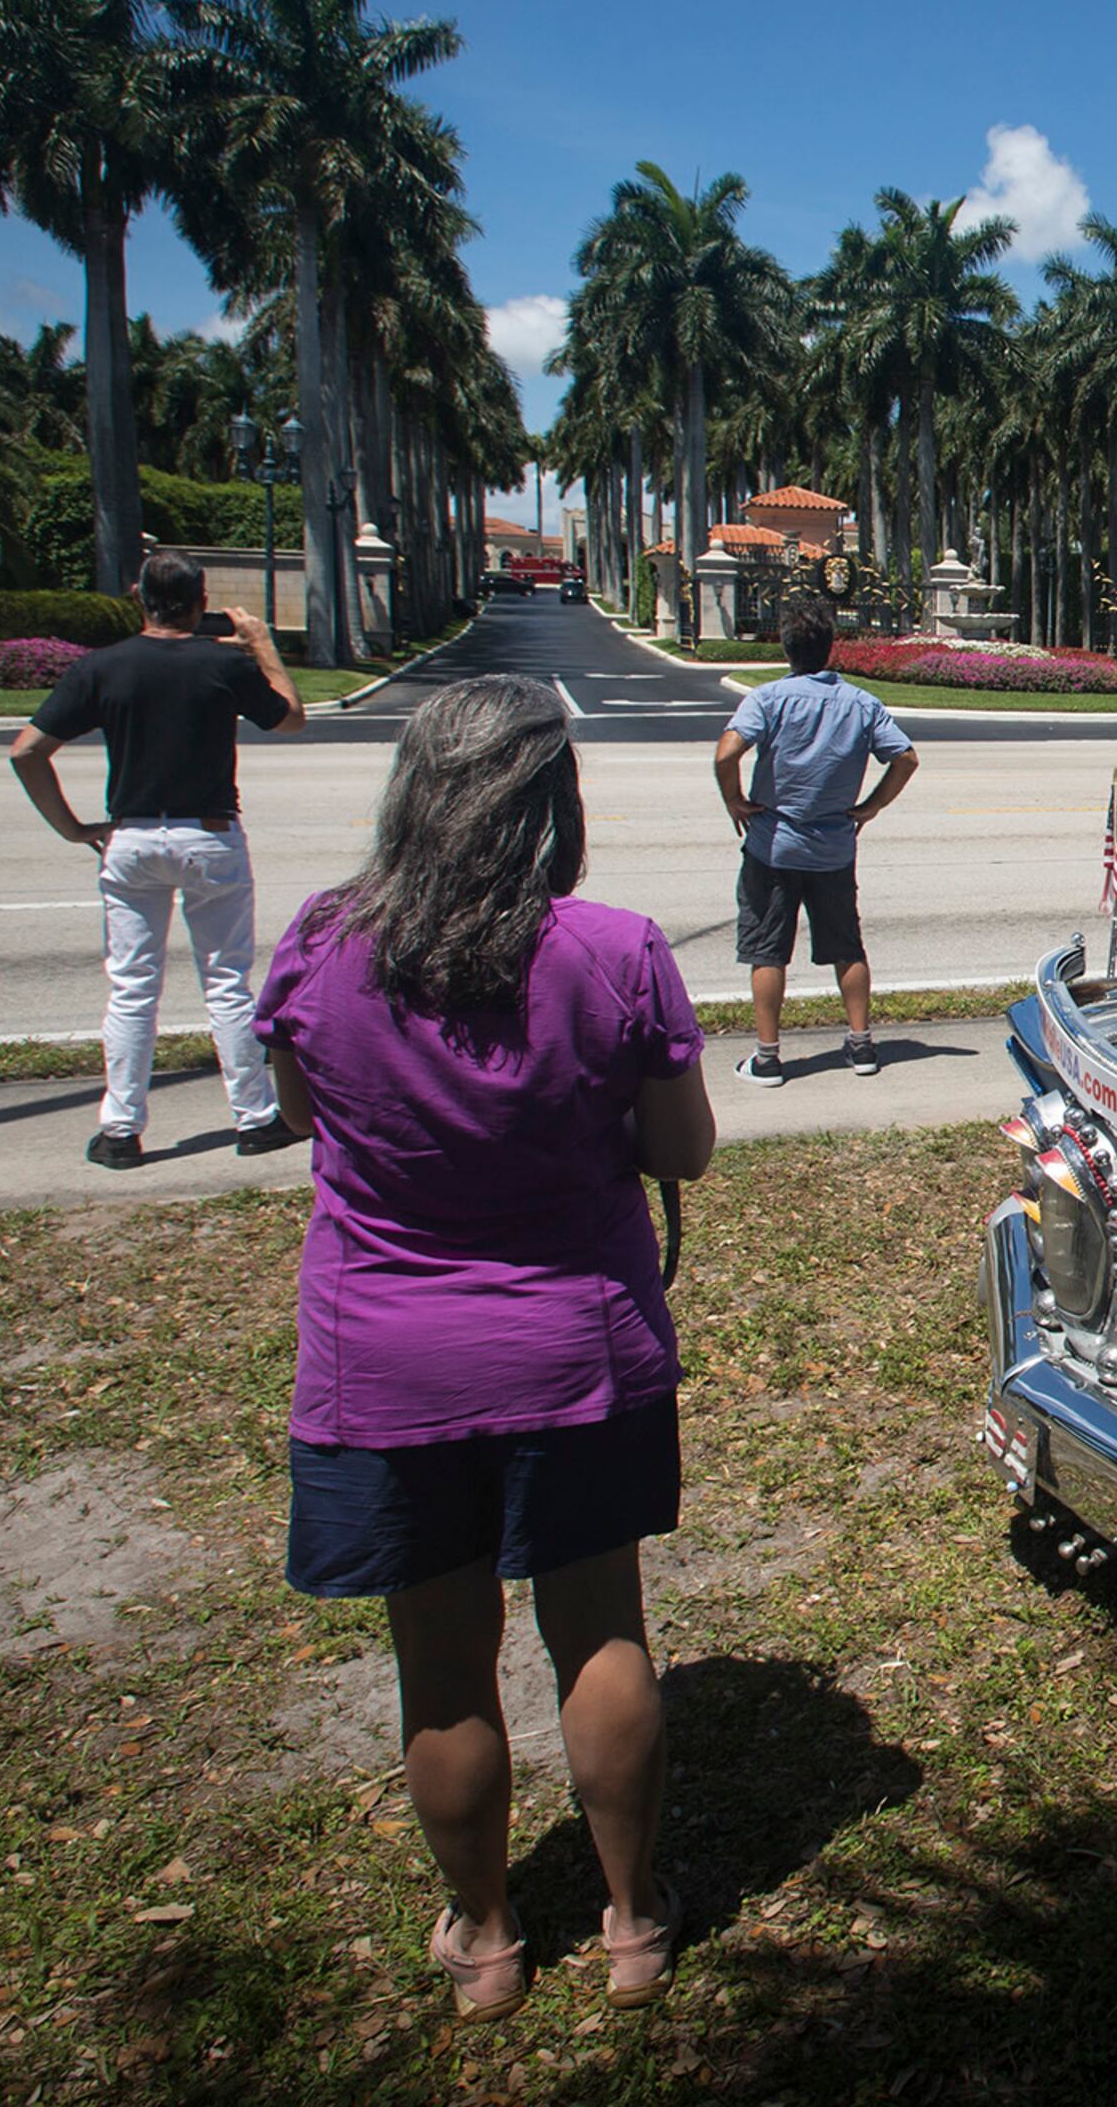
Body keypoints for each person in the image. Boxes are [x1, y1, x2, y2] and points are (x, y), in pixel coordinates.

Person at [252, 677, 717, 2025]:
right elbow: (679, 1148)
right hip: (577, 1351)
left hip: (385, 1363)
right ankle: (633, 1924)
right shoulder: (617, 949)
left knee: (442, 1663)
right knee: (601, 1630)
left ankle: (491, 1937)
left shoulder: (322, 942)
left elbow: (299, 1110)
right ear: (549, 805)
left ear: (413, 793)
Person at [9, 548, 307, 1168]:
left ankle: (120, 1130)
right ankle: (253, 1119)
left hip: (133, 838)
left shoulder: (103, 667)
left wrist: (71, 828)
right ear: (201, 602)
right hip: (210, 835)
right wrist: (260, 642)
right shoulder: (222, 663)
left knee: (132, 988)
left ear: (138, 598)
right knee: (225, 983)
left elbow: (27, 752)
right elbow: (291, 719)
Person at [713, 604, 918, 1084]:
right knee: (848, 947)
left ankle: (767, 1058)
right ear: (830, 649)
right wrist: (871, 807)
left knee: (767, 951)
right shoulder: (861, 703)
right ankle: (862, 1047)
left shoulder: (767, 699)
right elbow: (905, 759)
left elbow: (726, 754)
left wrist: (735, 801)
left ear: (786, 649)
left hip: (772, 846)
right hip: (833, 851)